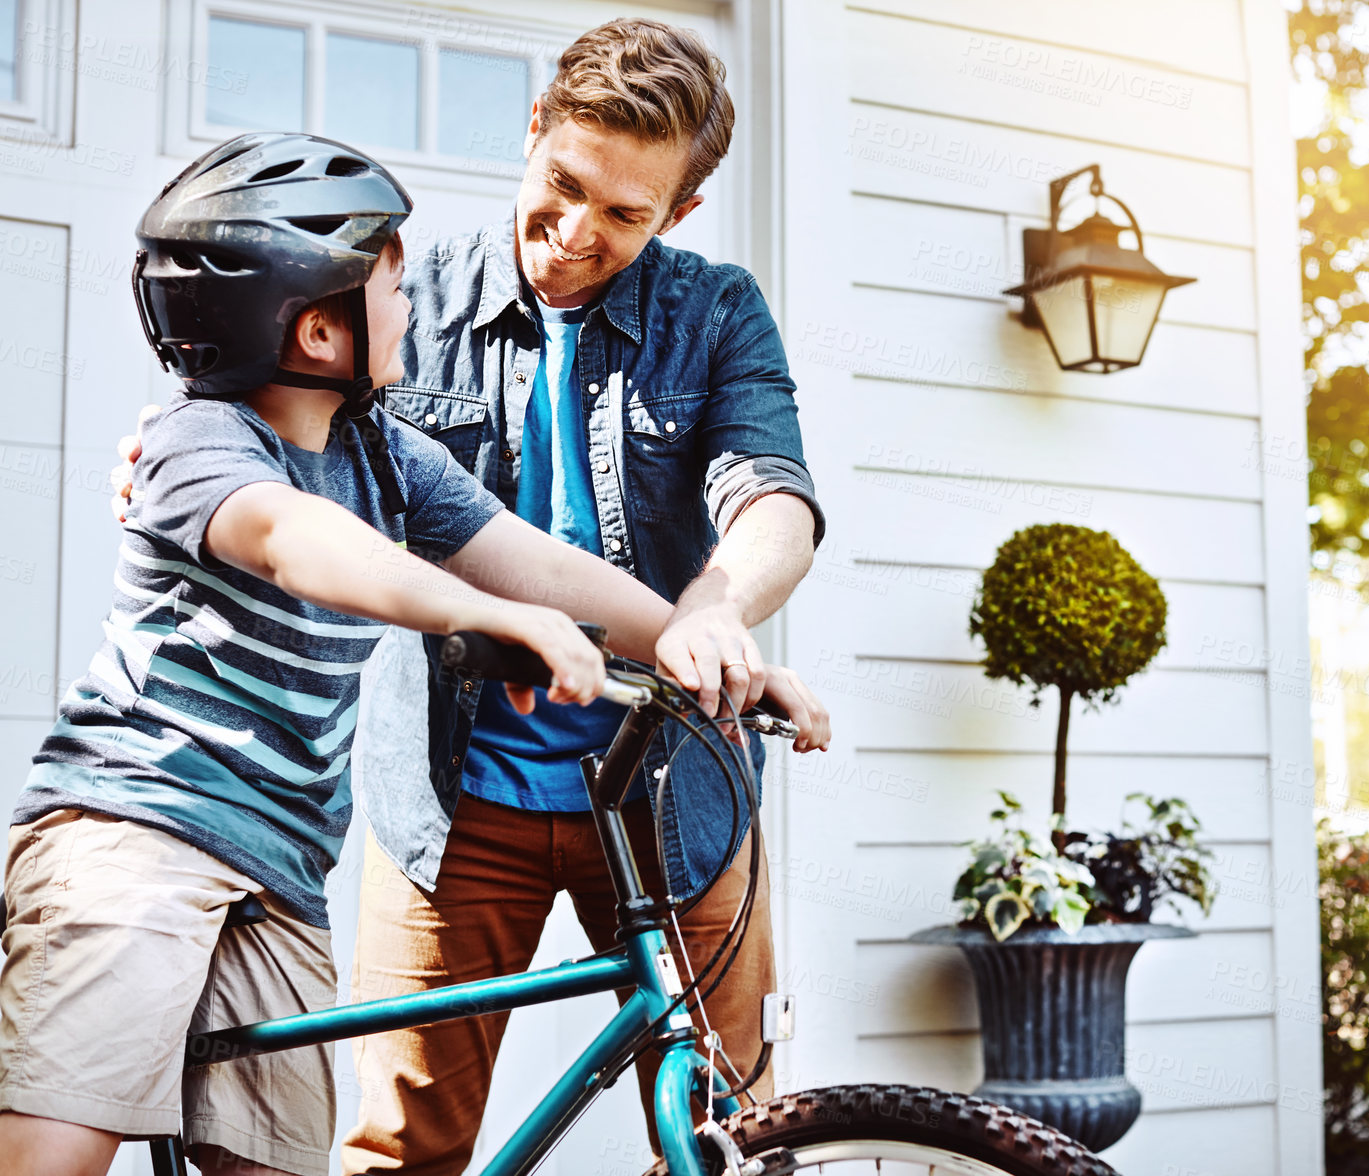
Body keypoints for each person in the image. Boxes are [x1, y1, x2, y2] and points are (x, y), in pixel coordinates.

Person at [10, 131, 820, 1176]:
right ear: (315, 329)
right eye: (390, 289)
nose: (412, 304)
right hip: (141, 831)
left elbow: (535, 564)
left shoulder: (388, 452)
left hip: (281, 869)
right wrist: (476, 617)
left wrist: (704, 645)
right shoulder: (200, 441)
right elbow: (298, 542)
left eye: (623, 212)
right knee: (64, 1129)